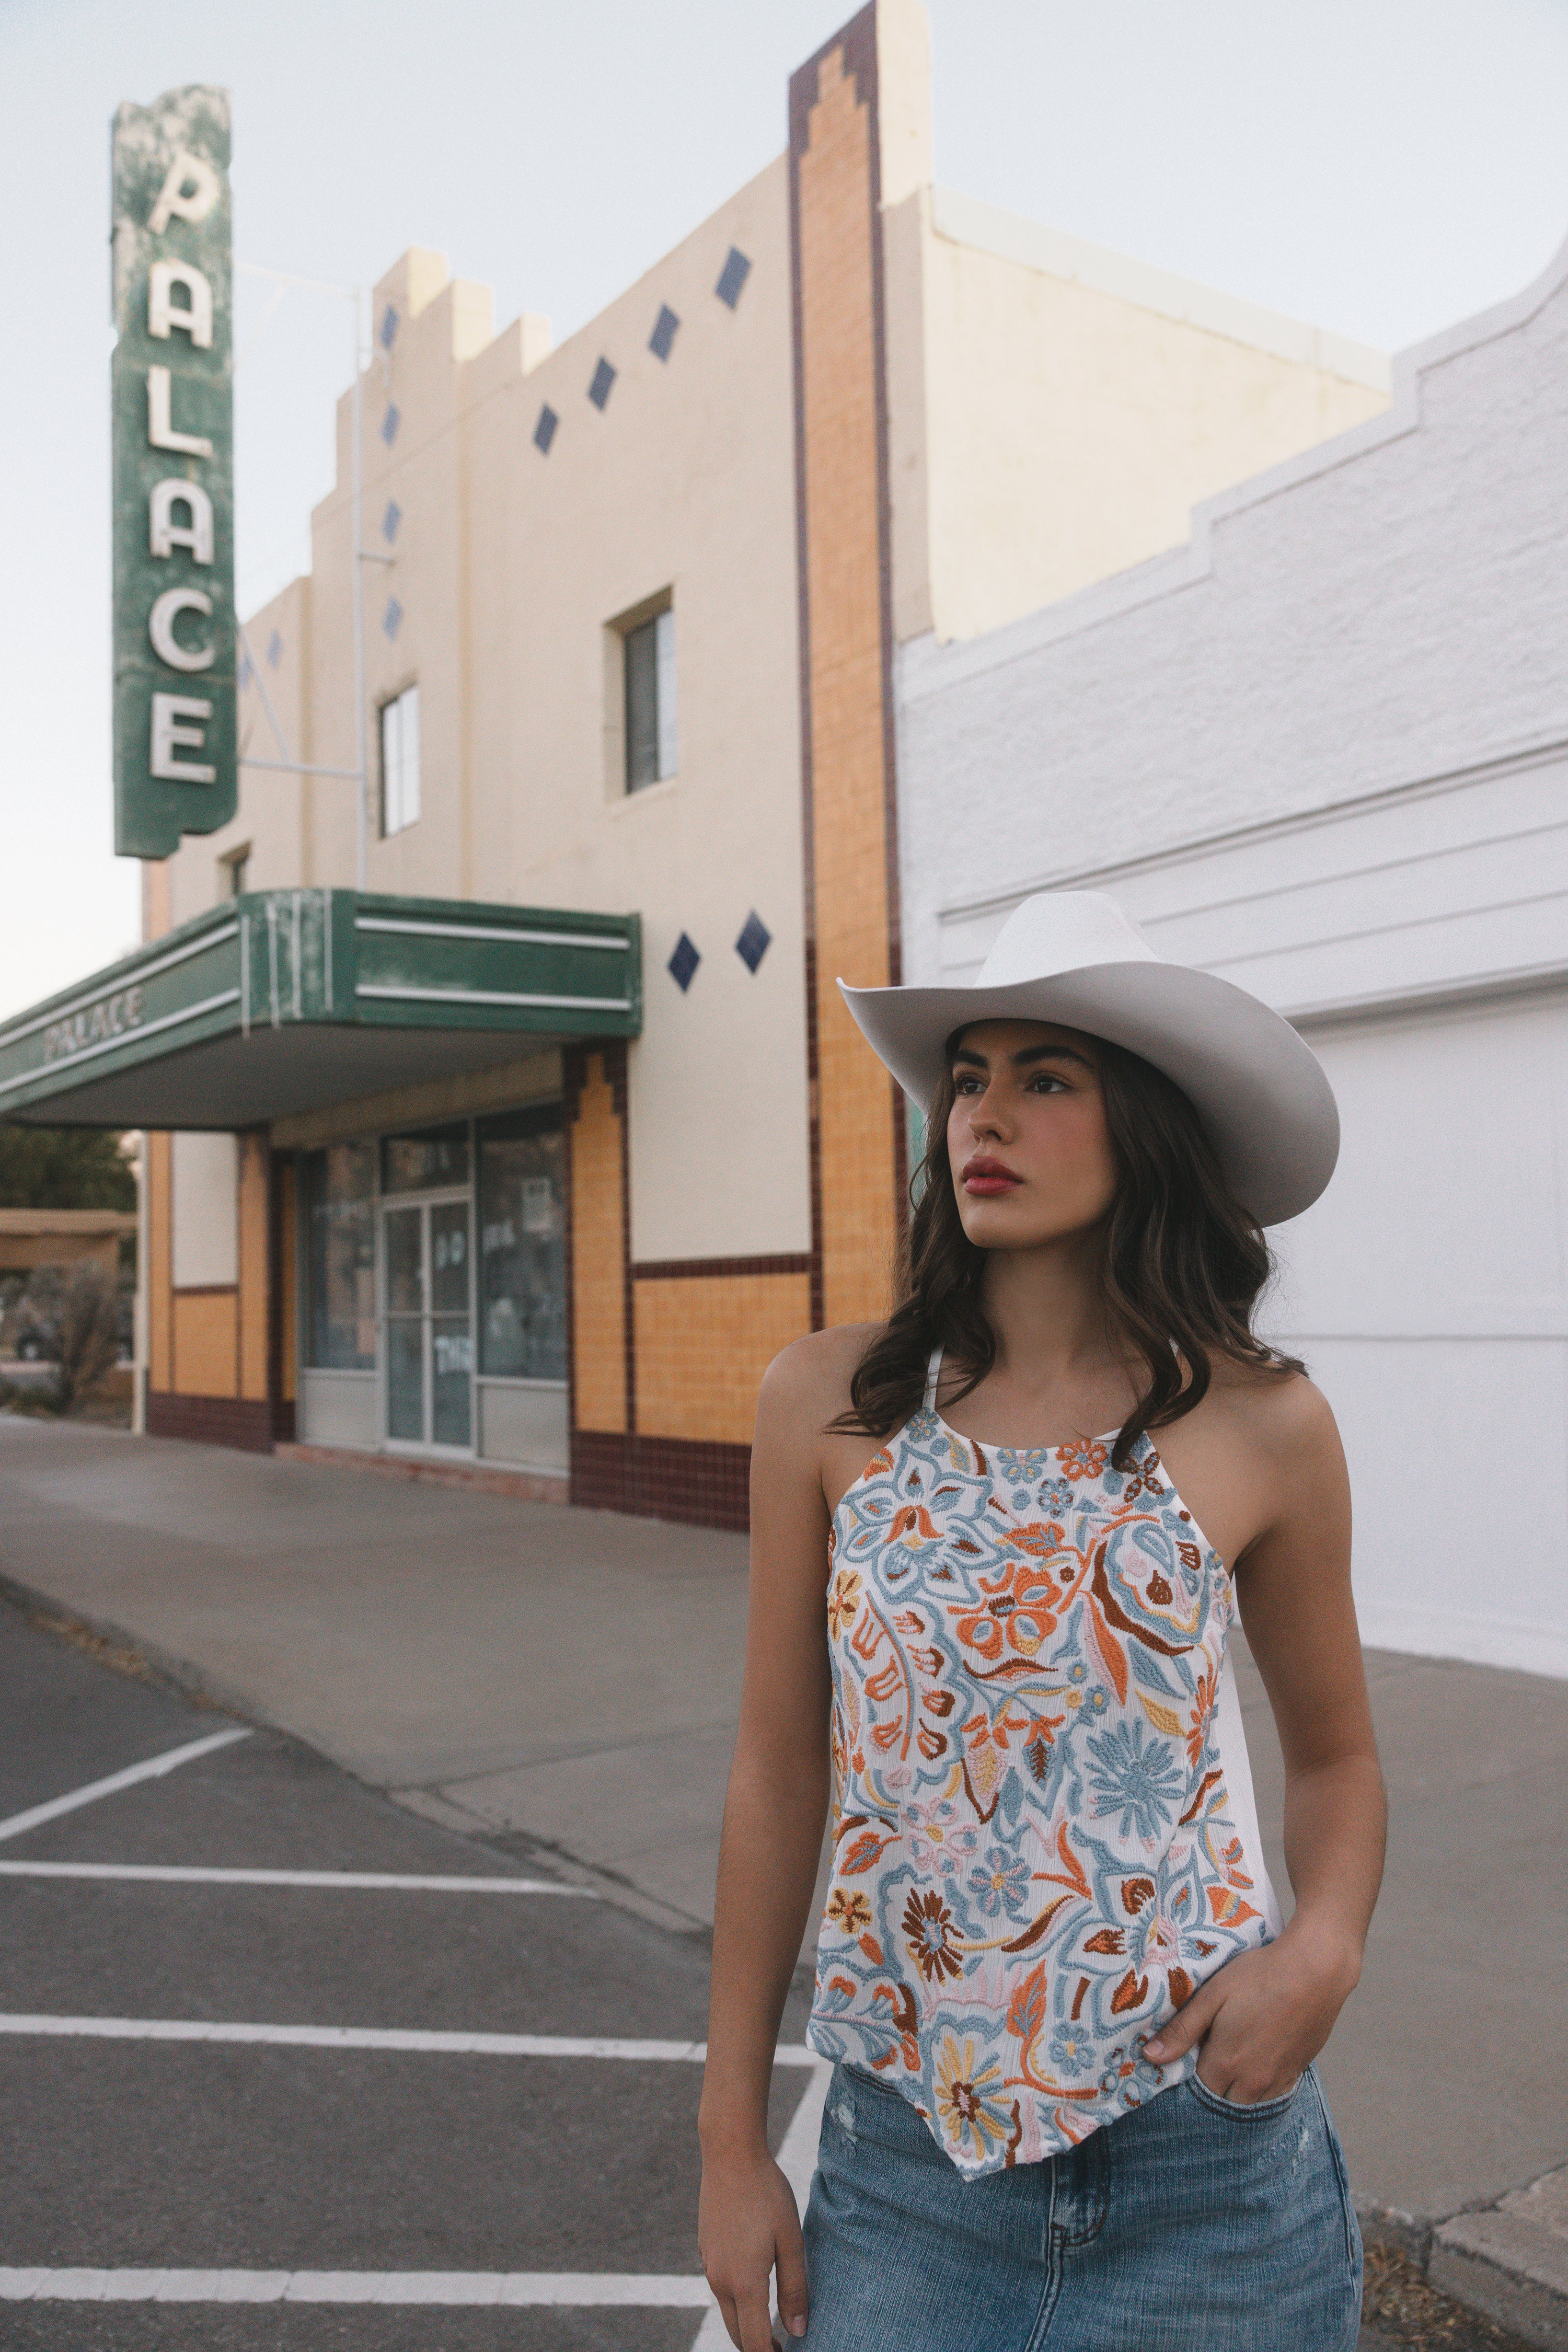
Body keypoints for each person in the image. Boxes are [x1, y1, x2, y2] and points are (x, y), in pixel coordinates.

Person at [697, 892, 1385, 2352]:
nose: (983, 1115)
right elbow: (776, 1769)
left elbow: (1338, 1763)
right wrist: (728, 2136)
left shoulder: (1265, 1423)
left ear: (1145, 1124)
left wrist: (1319, 1953)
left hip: (1209, 2173)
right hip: (906, 2180)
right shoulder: (831, 1405)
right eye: (967, 1076)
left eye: (1045, 1078)